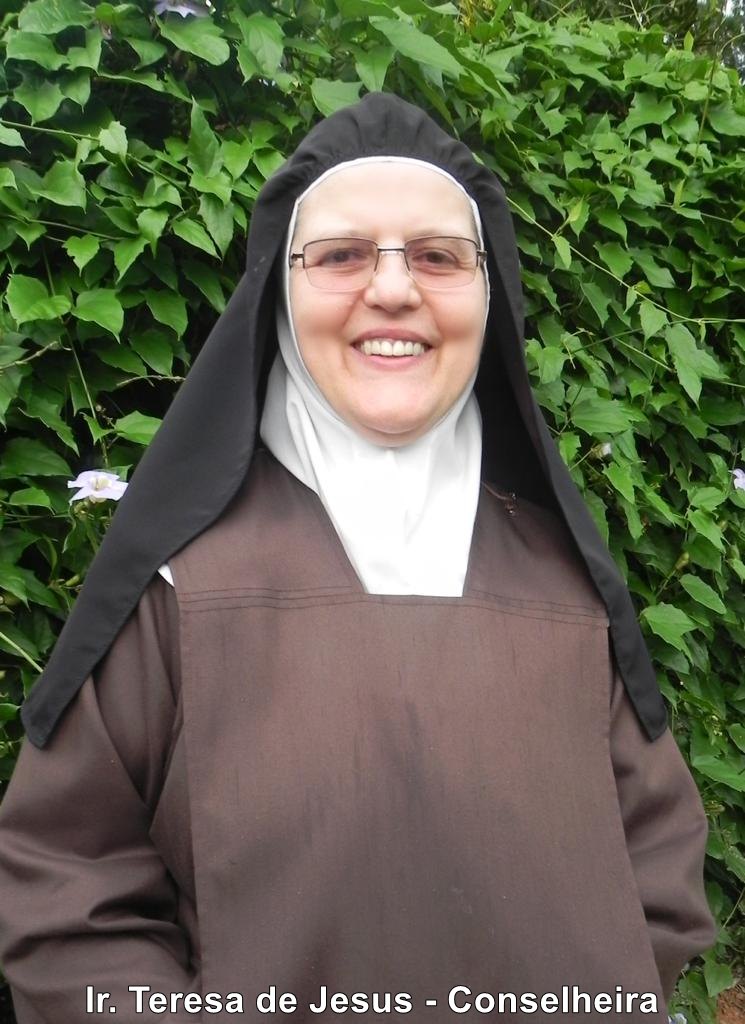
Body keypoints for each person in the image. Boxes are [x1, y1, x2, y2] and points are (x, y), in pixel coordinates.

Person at [0, 93, 715, 1023]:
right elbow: (68, 890)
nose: (392, 289)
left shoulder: (564, 587)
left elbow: (655, 874)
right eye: (340, 255)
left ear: (487, 295)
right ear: (279, 293)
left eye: (437, 256)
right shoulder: (178, 585)